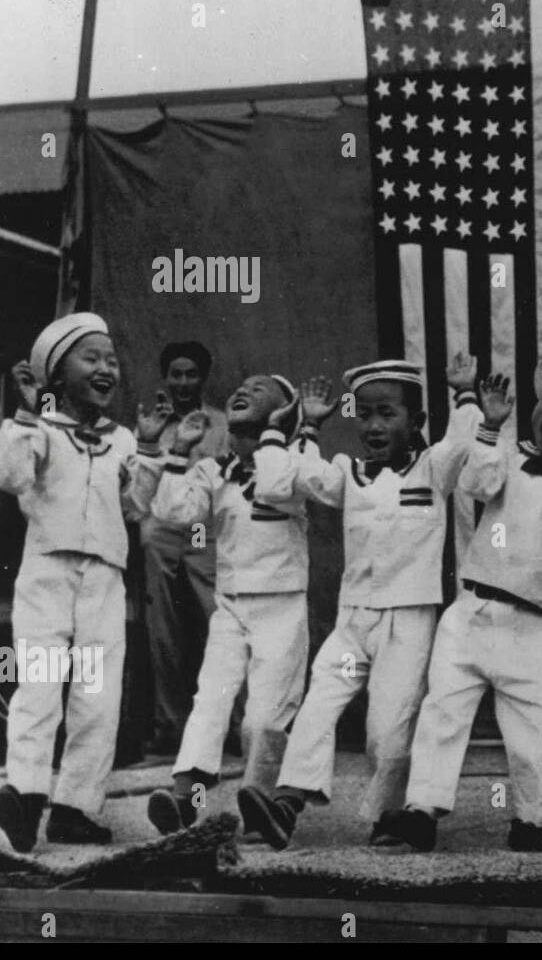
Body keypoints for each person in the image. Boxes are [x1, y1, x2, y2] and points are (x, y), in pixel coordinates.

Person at [382, 348, 542, 853]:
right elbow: (475, 482)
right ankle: (421, 810)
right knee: (441, 711)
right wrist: (489, 426)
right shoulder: (510, 457)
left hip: (530, 628)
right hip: (469, 612)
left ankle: (533, 818)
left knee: (538, 727)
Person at [237, 356, 482, 849]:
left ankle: (393, 817)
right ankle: (287, 803)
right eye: (364, 414)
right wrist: (302, 427)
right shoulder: (348, 473)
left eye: (387, 414)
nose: (373, 425)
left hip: (408, 619)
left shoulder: (432, 469)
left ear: (415, 423)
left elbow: (462, 446)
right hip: (352, 621)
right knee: (316, 709)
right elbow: (291, 482)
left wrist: (466, 395)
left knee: (388, 727)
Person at [0, 313, 170, 851]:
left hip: (104, 578)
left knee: (96, 695)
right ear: (56, 372)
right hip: (48, 572)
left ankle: (76, 804)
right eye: (91, 358)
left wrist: (146, 450)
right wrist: (26, 413)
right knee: (42, 686)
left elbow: (137, 506)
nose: (105, 368)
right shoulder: (40, 428)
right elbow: (12, 476)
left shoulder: (120, 439)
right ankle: (23, 795)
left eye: (112, 360)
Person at [144, 374, 311, 835]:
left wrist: (283, 432)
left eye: (260, 390)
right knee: (211, 702)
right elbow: (175, 512)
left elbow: (280, 486)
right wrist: (180, 450)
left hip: (281, 605)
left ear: (282, 413)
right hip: (231, 607)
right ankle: (185, 799)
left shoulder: (292, 464)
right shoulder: (214, 470)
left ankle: (262, 807)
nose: (243, 390)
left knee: (264, 715)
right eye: (242, 386)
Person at [139, 341, 227, 757]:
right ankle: (169, 727)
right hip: (161, 533)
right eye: (176, 374)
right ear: (166, 377)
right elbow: (140, 482)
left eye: (192, 374)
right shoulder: (152, 422)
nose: (183, 382)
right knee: (164, 630)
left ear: (203, 378)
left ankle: (231, 726)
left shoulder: (221, 424)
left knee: (220, 626)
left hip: (203, 533)